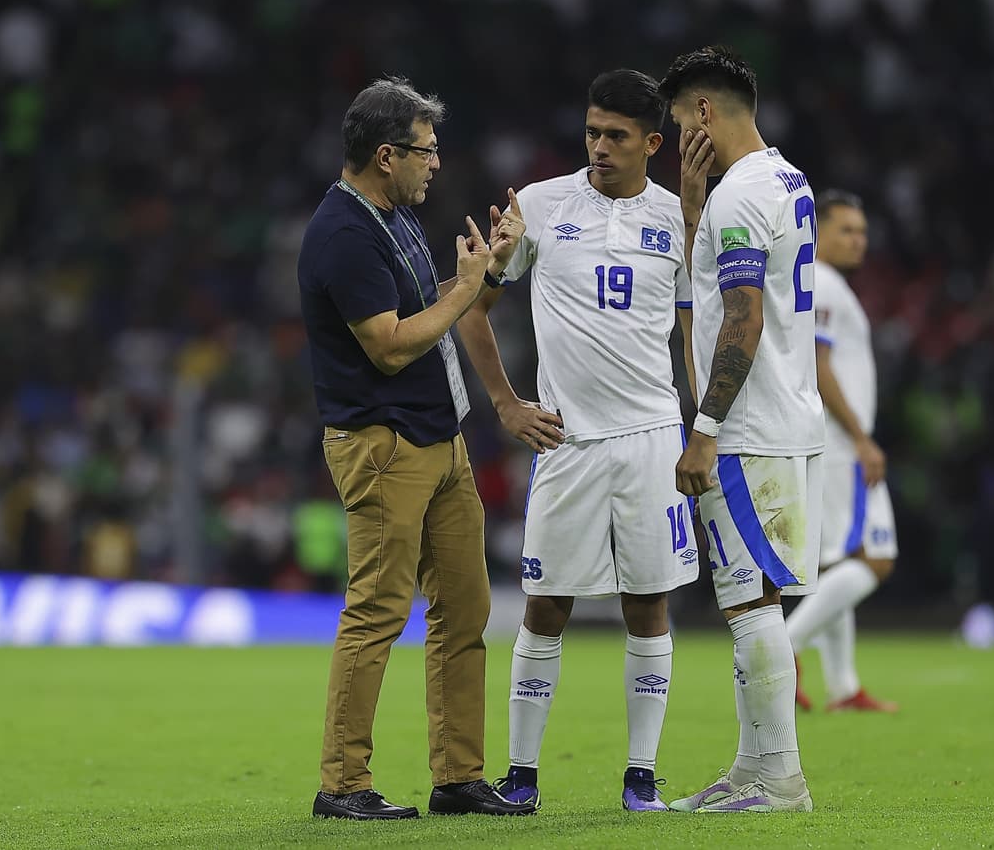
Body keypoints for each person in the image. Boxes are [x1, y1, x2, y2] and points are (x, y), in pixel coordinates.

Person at [458, 69, 698, 812]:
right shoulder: (539, 205)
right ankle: (522, 775)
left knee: (648, 606)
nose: (599, 146)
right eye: (592, 131)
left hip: (653, 441)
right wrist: (506, 403)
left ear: (651, 143)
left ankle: (641, 776)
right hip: (568, 444)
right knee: (546, 605)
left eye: (616, 136)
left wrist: (705, 428)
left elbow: (694, 331)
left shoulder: (678, 219)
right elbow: (471, 308)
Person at [297, 76, 535, 821]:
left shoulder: (391, 216)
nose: (436, 163)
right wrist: (466, 290)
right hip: (384, 444)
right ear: (385, 154)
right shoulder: (343, 234)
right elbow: (392, 344)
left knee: (465, 610)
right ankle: (343, 783)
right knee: (376, 611)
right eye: (425, 151)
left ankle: (458, 776)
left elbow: (431, 306)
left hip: (438, 437)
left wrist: (489, 270)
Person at [660, 46, 823, 814]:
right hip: (783, 419)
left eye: (677, 121)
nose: (677, 138)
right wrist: (693, 210)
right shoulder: (787, 180)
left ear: (703, 112)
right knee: (754, 597)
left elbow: (741, 319)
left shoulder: (741, 198)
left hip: (747, 430)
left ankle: (780, 779)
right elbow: (715, 295)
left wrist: (705, 427)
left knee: (748, 602)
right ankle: (752, 767)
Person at [786, 190, 899, 713]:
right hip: (840, 443)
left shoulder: (819, 282)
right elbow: (819, 362)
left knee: (840, 562)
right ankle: (786, 647)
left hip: (829, 442)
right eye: (846, 230)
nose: (858, 241)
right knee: (877, 559)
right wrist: (860, 436)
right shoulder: (824, 282)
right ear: (819, 232)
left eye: (862, 232)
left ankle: (843, 686)